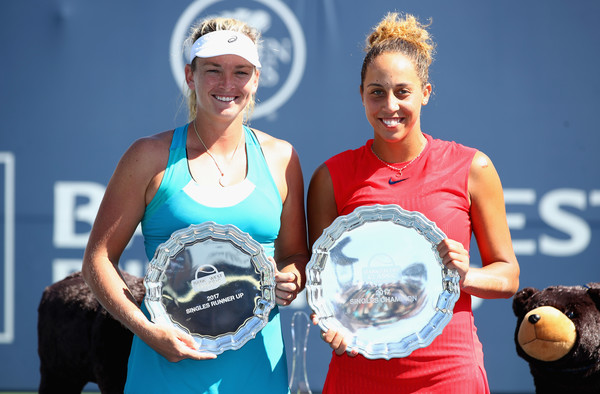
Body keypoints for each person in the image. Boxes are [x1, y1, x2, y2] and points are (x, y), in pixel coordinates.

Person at [81, 17, 309, 394]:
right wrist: (148, 331)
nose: (227, 85)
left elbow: (294, 255)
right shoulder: (148, 157)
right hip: (165, 371)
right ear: (190, 75)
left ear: (255, 79)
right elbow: (97, 260)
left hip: (258, 373)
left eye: (240, 72)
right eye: (213, 70)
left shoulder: (282, 158)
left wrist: (289, 279)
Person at [307, 12, 520, 393]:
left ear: (425, 92)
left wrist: (464, 274)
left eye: (402, 91)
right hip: (358, 370)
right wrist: (331, 321)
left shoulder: (472, 166)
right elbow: (324, 286)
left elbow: (508, 277)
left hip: (448, 371)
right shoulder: (330, 177)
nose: (389, 105)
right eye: (376, 92)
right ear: (361, 95)